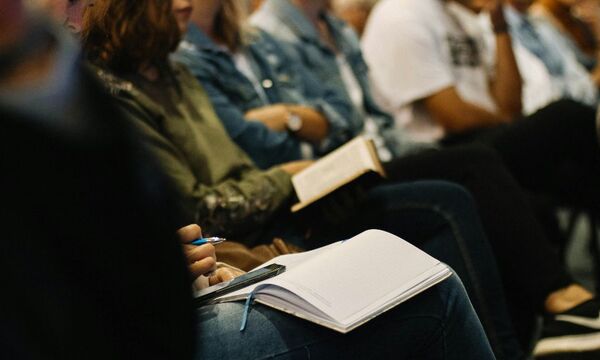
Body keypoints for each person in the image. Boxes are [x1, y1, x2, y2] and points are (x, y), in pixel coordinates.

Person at [0, 2, 496, 359]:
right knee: (434, 289)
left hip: (204, 271)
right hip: (169, 302)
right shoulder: (98, 92)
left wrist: (165, 262)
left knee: (432, 223)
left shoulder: (171, 78)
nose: (188, 6)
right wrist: (286, 174)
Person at [252, 0, 600, 356]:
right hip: (330, 177)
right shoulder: (276, 32)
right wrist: (303, 120)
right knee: (528, 140)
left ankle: (551, 323)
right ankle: (550, 310)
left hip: (386, 152)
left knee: (525, 180)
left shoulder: (337, 28)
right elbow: (319, 130)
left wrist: (498, 28)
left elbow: (374, 119)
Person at [481, 0, 597, 114]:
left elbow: (575, 65)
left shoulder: (540, 17)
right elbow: (538, 95)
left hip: (582, 100)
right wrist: (592, 83)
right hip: (555, 112)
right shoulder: (492, 29)